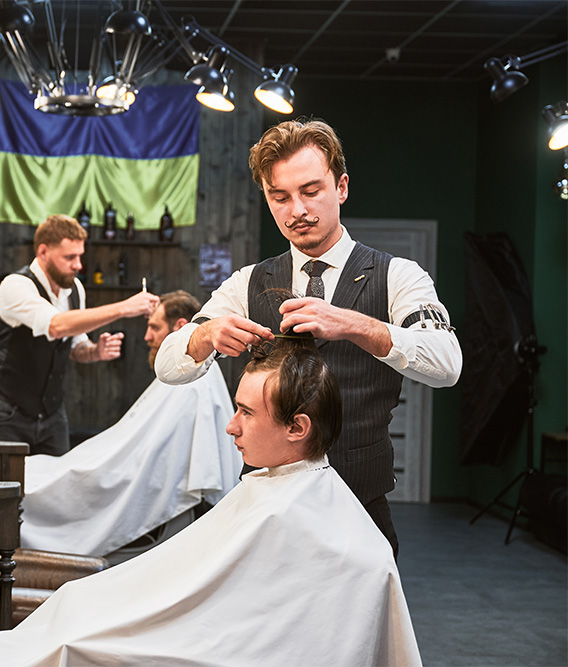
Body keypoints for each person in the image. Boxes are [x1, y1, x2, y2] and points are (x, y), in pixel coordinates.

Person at [0, 339, 422, 666]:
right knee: (72, 605)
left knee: (70, 645)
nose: (230, 427)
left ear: (297, 427)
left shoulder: (333, 537)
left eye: (247, 413)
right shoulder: (277, 490)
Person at [156, 119, 461, 556]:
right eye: (279, 197)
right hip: (266, 512)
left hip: (360, 506)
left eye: (311, 191)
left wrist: (355, 324)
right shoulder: (247, 284)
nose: (296, 209)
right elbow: (167, 366)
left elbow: (447, 364)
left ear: (341, 187)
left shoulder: (399, 277)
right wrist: (205, 335)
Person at [20, 290, 240, 558]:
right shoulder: (185, 376)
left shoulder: (192, 385)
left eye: (154, 327)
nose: (147, 337)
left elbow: (150, 468)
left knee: (40, 483)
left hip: (139, 490)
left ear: (180, 327)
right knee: (40, 472)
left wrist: (96, 471)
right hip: (120, 467)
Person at [0, 214, 160, 457]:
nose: (78, 265)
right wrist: (124, 308)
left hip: (52, 413)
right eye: (69, 257)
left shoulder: (75, 289)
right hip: (5, 411)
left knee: (55, 488)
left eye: (79, 256)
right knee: (4, 490)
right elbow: (56, 326)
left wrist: (95, 351)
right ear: (43, 252)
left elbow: (76, 347)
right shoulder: (16, 285)